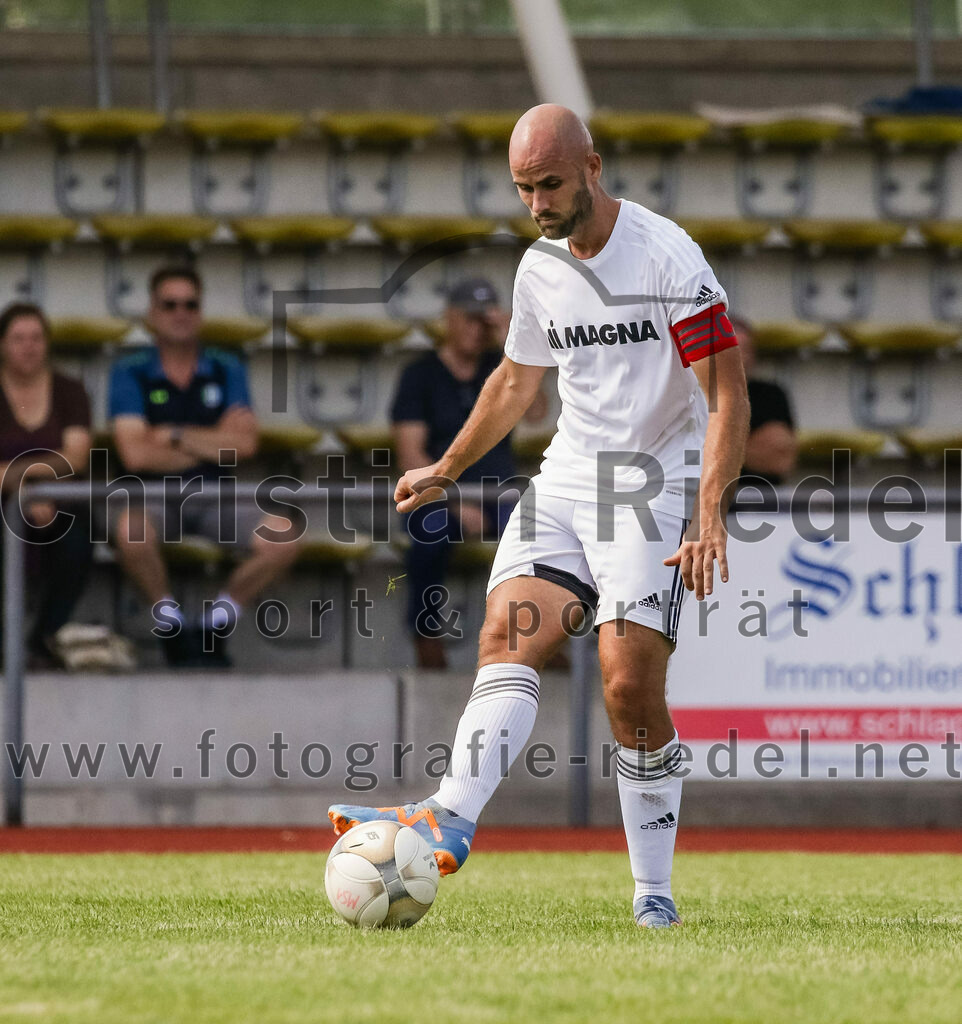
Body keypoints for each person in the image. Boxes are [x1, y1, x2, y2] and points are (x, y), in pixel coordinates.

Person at [328, 105, 750, 929]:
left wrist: (709, 514)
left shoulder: (667, 256)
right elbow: (516, 381)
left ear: (593, 166)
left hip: (652, 484)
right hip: (567, 478)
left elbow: (726, 393)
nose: (537, 203)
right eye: (523, 188)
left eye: (550, 184)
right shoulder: (539, 267)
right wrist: (448, 468)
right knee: (504, 635)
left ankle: (653, 891)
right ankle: (452, 814)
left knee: (627, 686)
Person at [107, 265, 301, 668]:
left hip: (216, 496)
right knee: (130, 533)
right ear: (152, 313)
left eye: (190, 304)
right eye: (170, 305)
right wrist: (213, 440)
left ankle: (217, 622)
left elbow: (244, 445)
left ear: (201, 311)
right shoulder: (130, 370)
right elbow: (136, 455)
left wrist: (174, 435)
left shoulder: (226, 366)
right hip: (154, 495)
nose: (180, 313)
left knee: (284, 538)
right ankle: (171, 626)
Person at [391, 277, 543, 669]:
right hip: (439, 495)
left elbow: (538, 412)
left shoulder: (500, 368)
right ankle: (426, 635)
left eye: (483, 321)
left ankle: (537, 639)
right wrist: (455, 503)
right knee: (429, 534)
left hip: (498, 492)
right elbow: (410, 454)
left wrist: (514, 344)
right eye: (470, 319)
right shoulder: (420, 374)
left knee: (539, 537)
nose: (477, 330)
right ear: (450, 318)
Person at [0, 302, 93, 668]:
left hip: (60, 498)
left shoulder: (69, 390)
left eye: (36, 338)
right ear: (2, 344)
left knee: (77, 540)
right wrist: (26, 491)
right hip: (6, 500)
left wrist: (28, 484)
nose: (28, 347)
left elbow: (76, 458)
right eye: (18, 338)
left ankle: (44, 640)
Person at [731, 315, 798, 489]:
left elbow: (779, 459)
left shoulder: (771, 395)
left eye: (746, 350)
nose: (742, 358)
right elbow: (685, 462)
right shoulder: (691, 396)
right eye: (732, 350)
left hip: (761, 497)